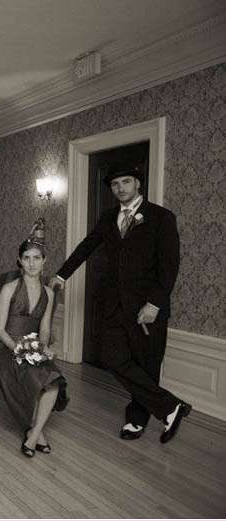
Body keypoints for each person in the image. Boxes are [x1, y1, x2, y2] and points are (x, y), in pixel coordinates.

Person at [51, 169, 188, 443]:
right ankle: (170, 406)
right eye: (115, 184)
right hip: (114, 306)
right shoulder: (107, 218)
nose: (120, 187)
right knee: (111, 357)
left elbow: (169, 266)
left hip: (148, 308)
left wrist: (154, 303)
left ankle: (136, 421)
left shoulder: (161, 217)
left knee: (147, 365)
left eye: (126, 182)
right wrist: (61, 275)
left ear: (137, 184)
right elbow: (86, 246)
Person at [0, 234, 68, 457]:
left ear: (44, 261)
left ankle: (34, 433)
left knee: (53, 380)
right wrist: (18, 349)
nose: (32, 263)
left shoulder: (48, 293)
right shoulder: (10, 288)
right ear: (20, 261)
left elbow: (44, 329)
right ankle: (35, 435)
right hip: (3, 346)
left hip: (31, 347)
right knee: (27, 372)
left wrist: (42, 348)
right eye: (27, 258)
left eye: (36, 258)